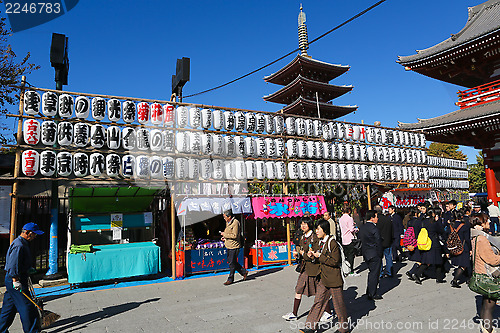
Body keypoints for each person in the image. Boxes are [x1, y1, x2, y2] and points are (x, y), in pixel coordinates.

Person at [301, 220, 349, 333]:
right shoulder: (320, 241)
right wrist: (312, 256)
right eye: (316, 229)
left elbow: (335, 261)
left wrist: (320, 256)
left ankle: (344, 328)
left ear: (325, 230)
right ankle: (310, 327)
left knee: (338, 305)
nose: (316, 231)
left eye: (318, 229)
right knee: (318, 301)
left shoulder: (332, 243)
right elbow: (318, 257)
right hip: (323, 277)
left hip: (334, 278)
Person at [283, 218, 332, 322]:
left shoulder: (314, 237)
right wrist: (298, 254)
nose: (303, 226)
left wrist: (303, 254)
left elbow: (315, 253)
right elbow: (303, 252)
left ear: (310, 225)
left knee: (320, 291)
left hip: (314, 269)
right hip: (305, 268)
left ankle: (328, 312)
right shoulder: (302, 237)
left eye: (305, 224)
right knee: (299, 289)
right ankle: (294, 313)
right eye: (301, 224)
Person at [0, 222, 44, 333]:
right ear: (28, 233)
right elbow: (12, 264)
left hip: (15, 279)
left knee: (8, 309)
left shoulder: (23, 243)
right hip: (15, 279)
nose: (35, 236)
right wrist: (15, 280)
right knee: (27, 307)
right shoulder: (19, 245)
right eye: (34, 234)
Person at [470, 213, 500, 333]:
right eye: (486, 221)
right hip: (486, 274)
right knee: (489, 305)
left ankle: (485, 326)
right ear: (480, 224)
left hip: (481, 272)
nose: (489, 223)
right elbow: (491, 259)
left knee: (486, 302)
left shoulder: (476, 236)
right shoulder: (482, 239)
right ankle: (488, 329)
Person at [412, 208, 446, 284]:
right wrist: (438, 221)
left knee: (427, 261)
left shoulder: (423, 221)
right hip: (434, 243)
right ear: (433, 214)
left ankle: (418, 274)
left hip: (425, 243)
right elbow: (441, 231)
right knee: (438, 261)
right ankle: (438, 278)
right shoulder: (433, 222)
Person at [359, 210, 383, 300]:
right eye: (376, 217)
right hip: (374, 253)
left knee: (371, 272)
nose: (377, 218)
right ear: (372, 218)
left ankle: (369, 290)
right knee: (374, 274)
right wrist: (380, 253)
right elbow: (378, 242)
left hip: (366, 253)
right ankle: (372, 293)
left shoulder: (363, 227)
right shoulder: (374, 228)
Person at [221, 210, 247, 285]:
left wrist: (225, 234)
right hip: (228, 244)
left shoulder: (235, 223)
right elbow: (229, 234)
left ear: (229, 217)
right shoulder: (227, 222)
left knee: (232, 263)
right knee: (231, 261)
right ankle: (243, 272)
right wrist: (225, 237)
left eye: (225, 217)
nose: (224, 218)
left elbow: (235, 235)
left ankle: (230, 279)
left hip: (234, 245)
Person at [447, 210, 471, 288]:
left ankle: (468, 277)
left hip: (454, 247)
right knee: (463, 264)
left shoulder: (451, 225)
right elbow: (467, 239)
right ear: (461, 216)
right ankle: (455, 280)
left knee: (462, 263)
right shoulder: (464, 226)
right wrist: (470, 248)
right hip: (463, 247)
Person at [338, 206, 359, 277]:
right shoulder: (349, 218)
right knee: (351, 255)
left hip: (343, 238)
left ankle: (346, 269)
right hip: (349, 238)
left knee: (346, 255)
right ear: (349, 211)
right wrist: (356, 229)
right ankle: (351, 270)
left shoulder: (341, 219)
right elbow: (351, 229)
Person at [375, 206, 393, 278]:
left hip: (379, 242)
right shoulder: (388, 219)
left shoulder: (376, 221)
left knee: (379, 258)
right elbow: (392, 230)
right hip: (388, 240)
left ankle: (380, 272)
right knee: (388, 256)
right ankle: (389, 271)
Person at [405, 208, 422, 280]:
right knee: (420, 259)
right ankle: (412, 271)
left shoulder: (409, 222)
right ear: (416, 214)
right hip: (417, 241)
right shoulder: (418, 222)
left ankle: (415, 272)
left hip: (411, 242)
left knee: (418, 258)